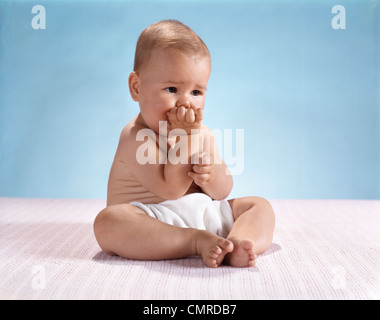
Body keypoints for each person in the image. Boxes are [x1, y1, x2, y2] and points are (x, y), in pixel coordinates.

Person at [94, 20, 275, 268]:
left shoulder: (203, 134)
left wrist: (210, 177)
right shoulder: (135, 136)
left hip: (205, 215)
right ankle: (194, 242)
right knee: (108, 222)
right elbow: (170, 190)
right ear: (137, 88)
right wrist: (187, 137)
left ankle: (236, 243)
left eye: (196, 92)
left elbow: (223, 192)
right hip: (154, 222)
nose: (185, 103)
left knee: (259, 205)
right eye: (172, 89)